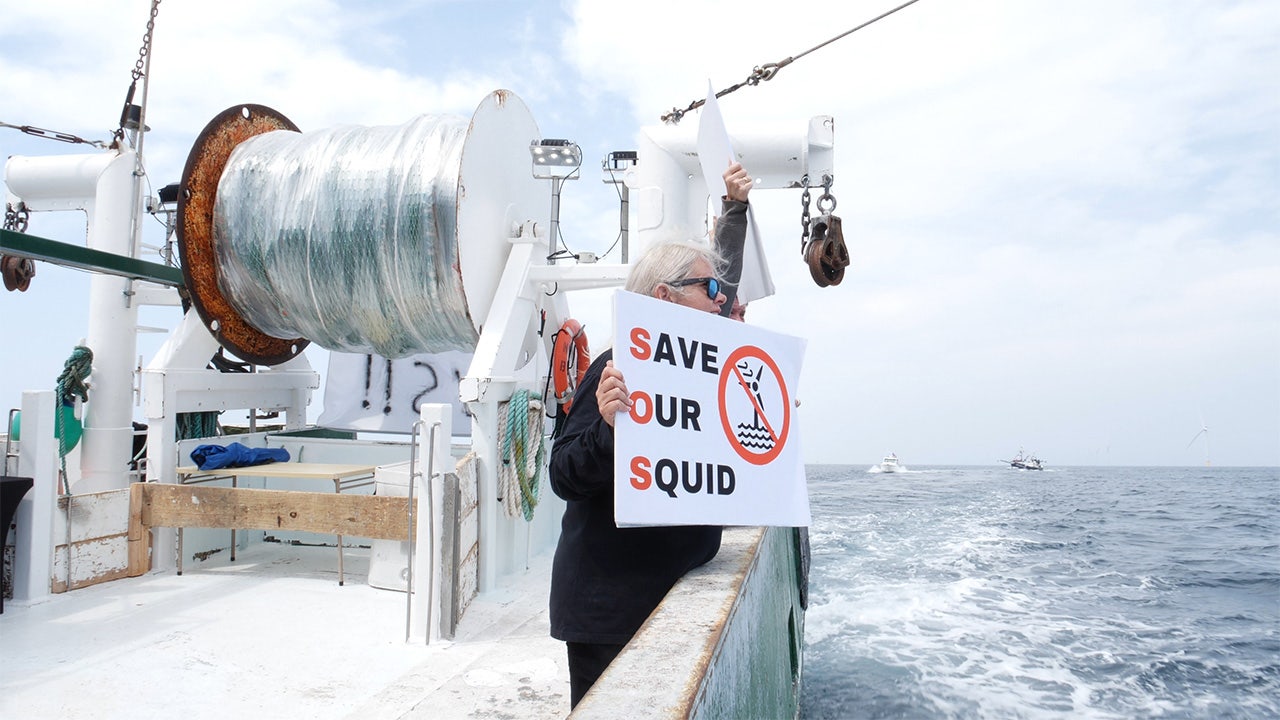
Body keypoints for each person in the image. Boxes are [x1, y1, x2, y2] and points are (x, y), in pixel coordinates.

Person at [548, 239, 728, 709]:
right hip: (610, 614)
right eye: (709, 286)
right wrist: (608, 429)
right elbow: (563, 474)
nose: (721, 297)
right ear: (666, 298)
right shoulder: (615, 369)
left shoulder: (693, 381)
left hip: (663, 601)